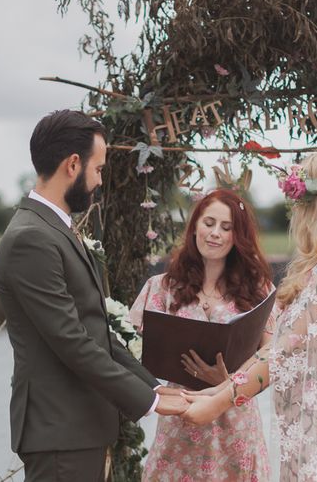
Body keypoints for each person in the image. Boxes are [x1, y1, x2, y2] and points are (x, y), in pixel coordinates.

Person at [183, 148, 317, 482]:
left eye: (301, 203)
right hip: (315, 435)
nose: (296, 212)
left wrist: (216, 405)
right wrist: (215, 390)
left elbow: (280, 352)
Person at [0, 109, 187, 482]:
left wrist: (154, 386)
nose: (99, 181)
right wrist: (151, 403)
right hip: (59, 430)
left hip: (77, 427)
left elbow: (95, 330)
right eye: (98, 169)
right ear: (73, 165)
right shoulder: (30, 239)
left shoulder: (54, 229)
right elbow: (71, 341)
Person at [128, 188, 278, 481]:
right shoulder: (161, 287)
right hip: (180, 419)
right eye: (209, 223)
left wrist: (228, 381)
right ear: (195, 225)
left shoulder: (260, 289)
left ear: (239, 237)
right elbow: (130, 353)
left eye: (227, 227)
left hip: (236, 423)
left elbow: (274, 358)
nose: (215, 234)